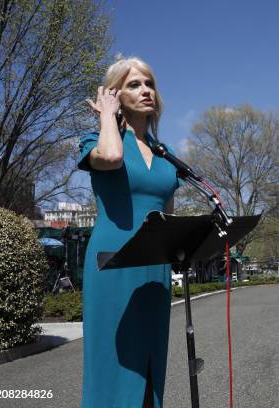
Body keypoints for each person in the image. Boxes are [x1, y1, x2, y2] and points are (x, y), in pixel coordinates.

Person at [78, 56, 181, 407]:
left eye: (149, 83)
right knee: (112, 363)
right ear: (115, 93)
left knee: (150, 364)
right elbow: (111, 157)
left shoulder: (166, 156)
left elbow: (167, 215)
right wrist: (107, 115)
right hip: (112, 261)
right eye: (134, 84)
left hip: (155, 267)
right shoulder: (95, 139)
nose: (146, 90)